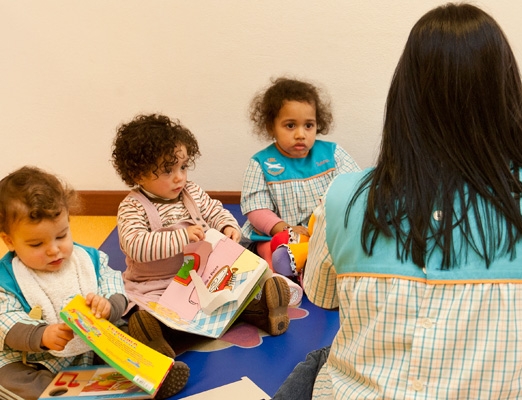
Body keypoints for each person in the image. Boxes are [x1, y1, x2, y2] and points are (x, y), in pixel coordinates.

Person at [275, 3, 522, 399]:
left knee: (324, 358)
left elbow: (328, 302)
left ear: (404, 98)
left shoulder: (343, 197)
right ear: (506, 97)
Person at [111, 115, 291, 359]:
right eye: (168, 170)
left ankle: (260, 310)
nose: (179, 177)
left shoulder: (191, 192)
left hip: (201, 276)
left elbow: (215, 211)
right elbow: (135, 246)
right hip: (155, 286)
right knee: (152, 313)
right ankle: (155, 336)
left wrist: (228, 226)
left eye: (183, 167)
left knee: (228, 293)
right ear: (137, 174)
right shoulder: (132, 207)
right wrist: (181, 238)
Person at [0, 166, 184, 399]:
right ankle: (58, 394)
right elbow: (5, 320)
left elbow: (113, 283)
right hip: (38, 359)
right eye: (37, 244)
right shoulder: (7, 279)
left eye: (61, 236)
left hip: (94, 347)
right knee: (9, 377)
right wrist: (42, 335)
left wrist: (108, 305)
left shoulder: (87, 260)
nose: (54, 250)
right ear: (9, 241)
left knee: (124, 336)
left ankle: (154, 371)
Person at [240, 77, 360, 266]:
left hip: (325, 233)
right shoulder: (261, 163)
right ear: (271, 127)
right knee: (271, 252)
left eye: (308, 125)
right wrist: (285, 229)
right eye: (290, 126)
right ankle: (281, 274)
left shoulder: (332, 154)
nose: (300, 134)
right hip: (279, 235)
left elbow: (356, 189)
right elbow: (257, 209)